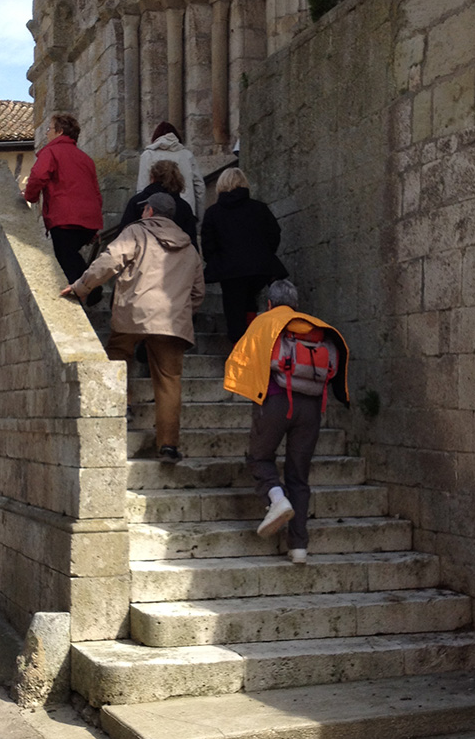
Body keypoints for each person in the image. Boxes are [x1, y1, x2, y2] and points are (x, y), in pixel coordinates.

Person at [62, 192, 205, 463]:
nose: (142, 213)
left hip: (135, 313)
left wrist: (82, 287)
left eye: (144, 210)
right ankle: (168, 446)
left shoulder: (136, 232)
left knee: (118, 353)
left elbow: (108, 261)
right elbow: (198, 292)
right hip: (173, 321)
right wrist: (181, 313)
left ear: (150, 211)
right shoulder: (189, 247)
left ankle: (123, 404)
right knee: (169, 381)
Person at [224, 279, 349, 563]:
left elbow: (240, 359)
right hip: (313, 407)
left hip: (277, 401)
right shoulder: (315, 326)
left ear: (269, 303)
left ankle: (276, 499)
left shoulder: (264, 322)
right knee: (299, 475)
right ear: (296, 305)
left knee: (259, 457)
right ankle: (299, 548)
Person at [201, 167, 287, 343]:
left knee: (234, 312)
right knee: (250, 303)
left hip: (230, 270)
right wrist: (264, 255)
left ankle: (239, 350)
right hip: (258, 268)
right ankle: (253, 342)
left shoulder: (213, 213)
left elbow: (208, 244)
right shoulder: (260, 208)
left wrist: (217, 262)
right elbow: (274, 234)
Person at [23, 114, 103, 302]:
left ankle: (91, 293)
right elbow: (96, 192)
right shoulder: (86, 159)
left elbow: (38, 176)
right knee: (71, 255)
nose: (47, 132)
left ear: (59, 132)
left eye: (49, 129)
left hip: (65, 216)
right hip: (88, 219)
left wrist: (30, 196)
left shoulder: (51, 152)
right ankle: (85, 292)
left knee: (65, 256)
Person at [137, 121, 205, 223]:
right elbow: (199, 187)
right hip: (184, 209)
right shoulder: (187, 155)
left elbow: (142, 188)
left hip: (154, 212)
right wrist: (199, 218)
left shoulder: (148, 155)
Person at [120, 159, 198, 247]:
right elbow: (191, 242)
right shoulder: (184, 207)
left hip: (142, 254)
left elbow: (123, 234)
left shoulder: (137, 201)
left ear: (152, 177)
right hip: (174, 257)